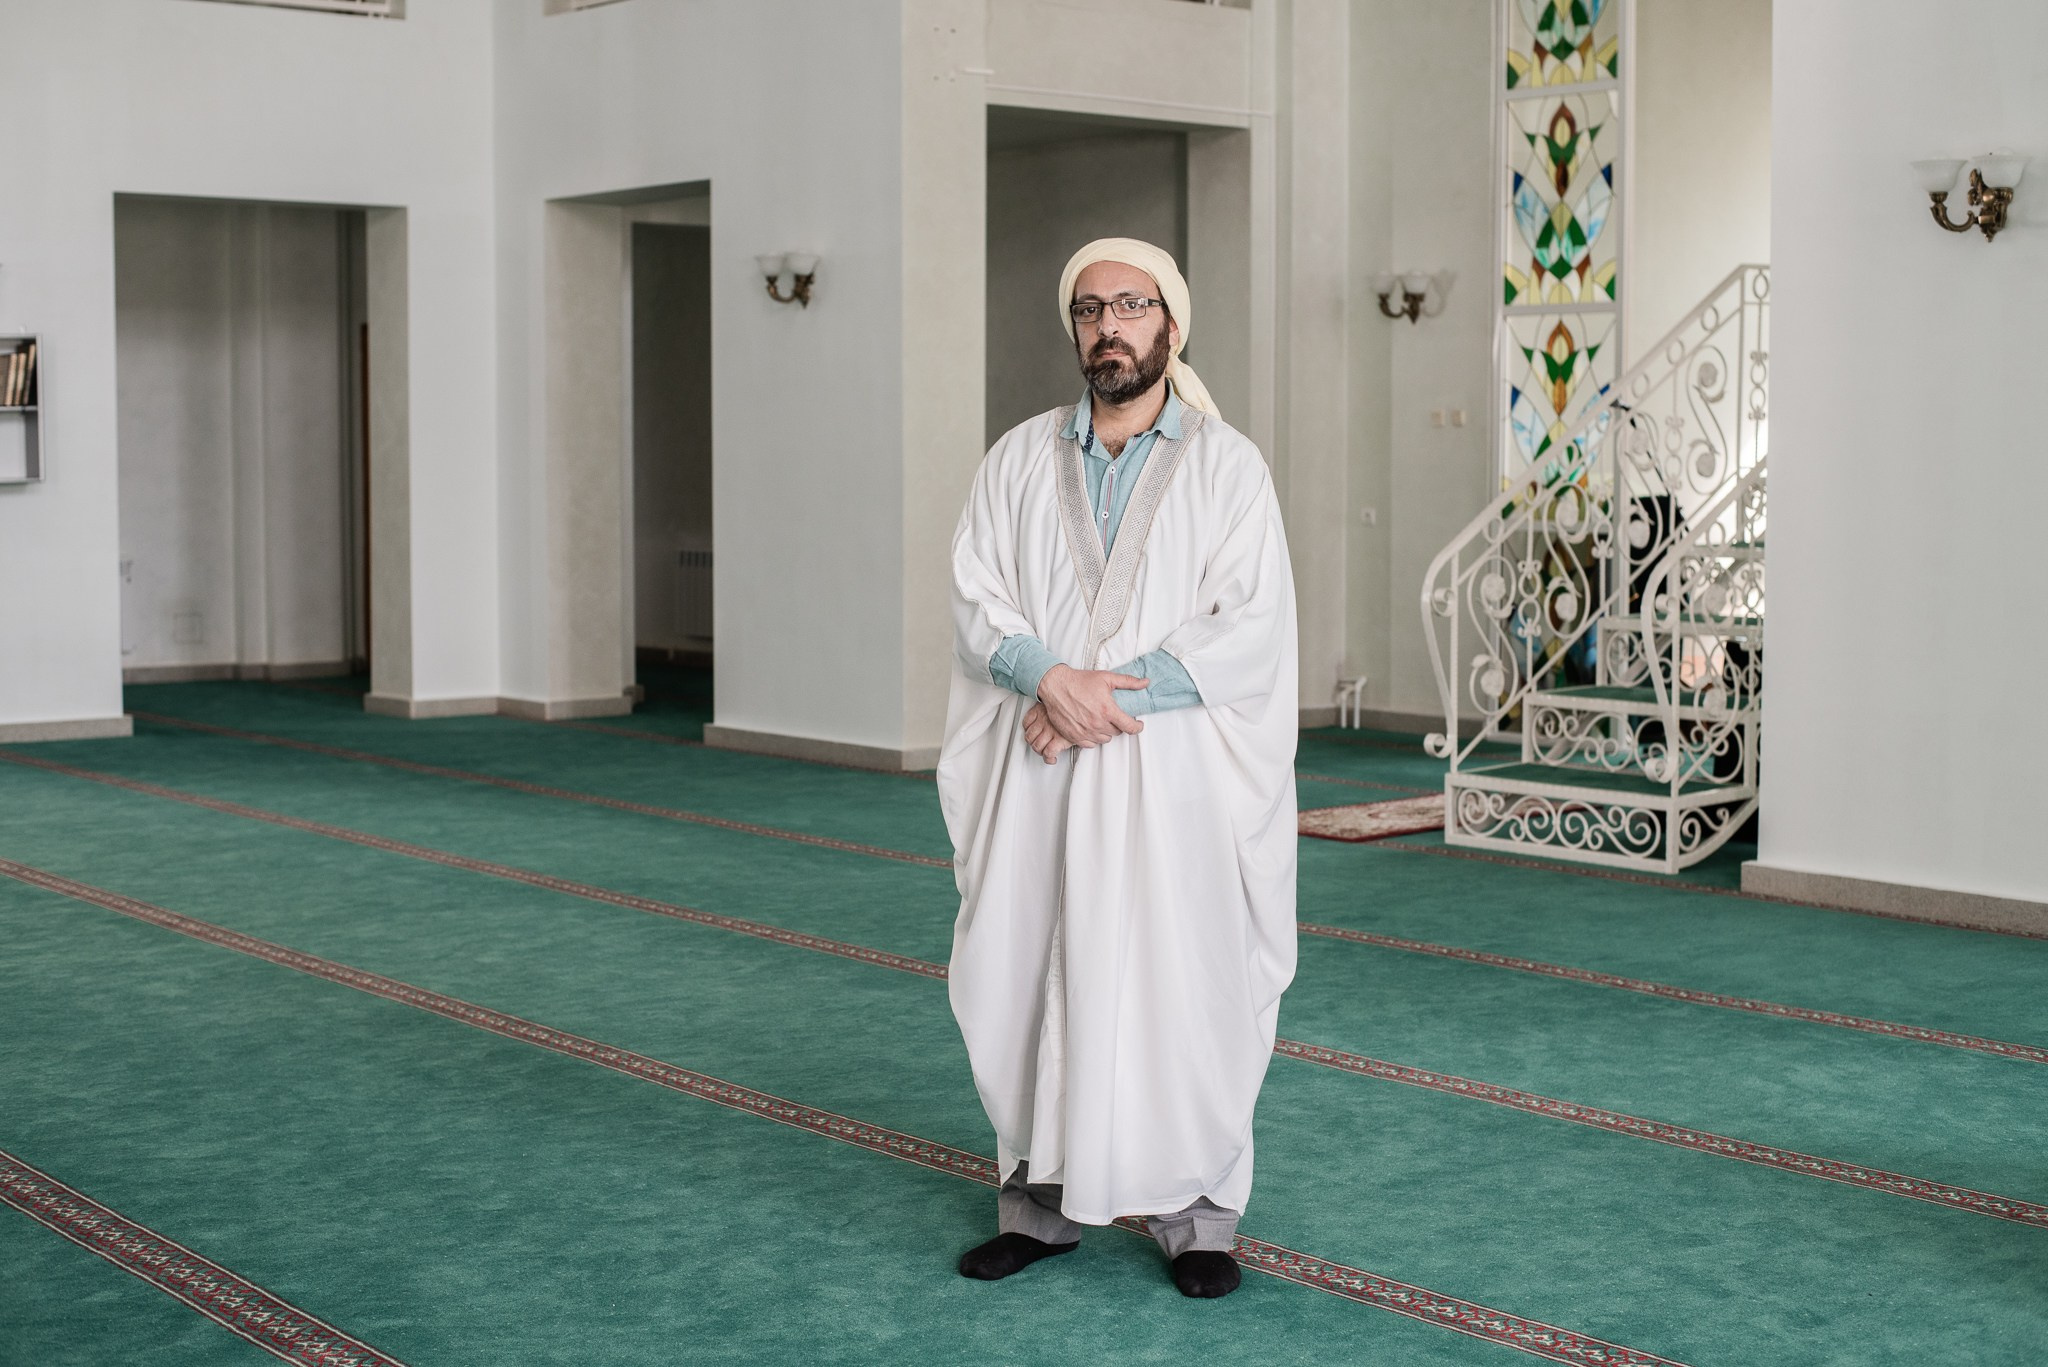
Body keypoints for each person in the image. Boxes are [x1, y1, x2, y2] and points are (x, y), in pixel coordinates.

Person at [938, 238, 1299, 1300]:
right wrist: (1047, 678)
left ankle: (1197, 1217)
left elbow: (1248, 628)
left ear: (1169, 326)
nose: (1109, 327)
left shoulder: (1229, 469)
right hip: (1039, 781)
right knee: (1032, 968)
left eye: (1129, 307)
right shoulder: (1013, 459)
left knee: (1182, 977)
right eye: (1090, 310)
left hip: (1173, 781)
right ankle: (1036, 1207)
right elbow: (974, 602)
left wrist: (1089, 698)